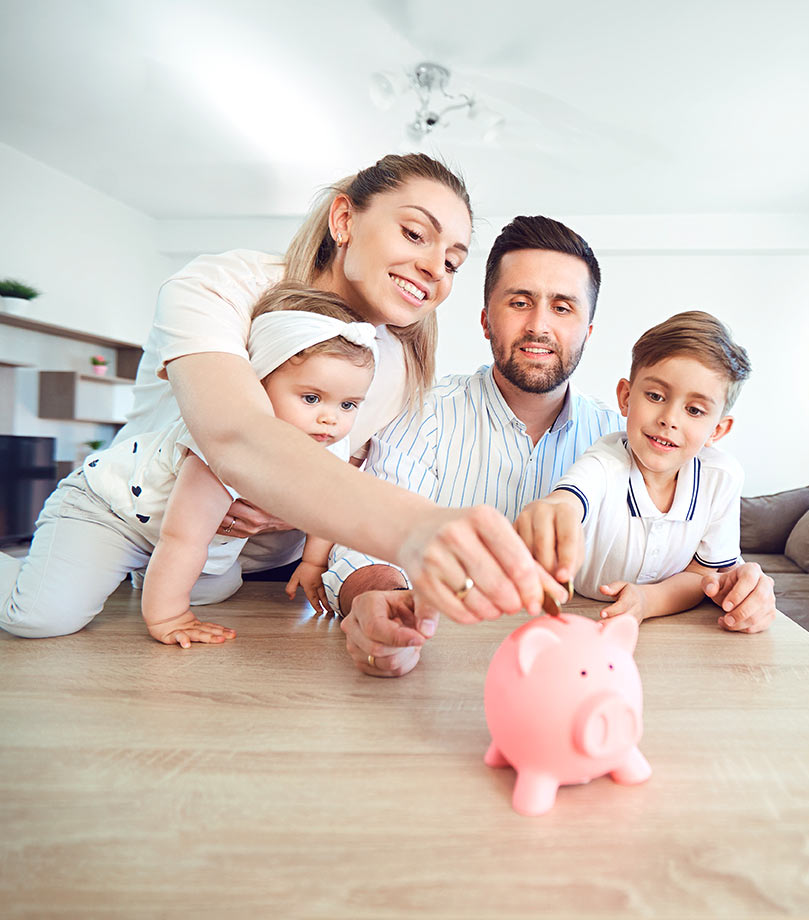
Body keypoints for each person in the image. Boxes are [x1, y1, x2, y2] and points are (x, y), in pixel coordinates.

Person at [109, 154, 563, 650]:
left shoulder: (400, 362)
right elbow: (236, 435)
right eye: (414, 233)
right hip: (140, 545)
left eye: (452, 262)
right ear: (344, 220)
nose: (435, 267)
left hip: (265, 582)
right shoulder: (218, 287)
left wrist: (307, 529)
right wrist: (415, 527)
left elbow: (343, 474)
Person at [324, 216, 623, 675]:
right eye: (520, 302)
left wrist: (736, 582)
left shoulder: (620, 438)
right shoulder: (423, 413)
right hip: (442, 671)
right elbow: (363, 543)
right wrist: (379, 597)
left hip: (579, 673)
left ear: (588, 331)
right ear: (486, 320)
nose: (539, 325)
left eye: (563, 308)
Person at [0, 284, 376, 643]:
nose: (332, 419)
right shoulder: (224, 439)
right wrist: (168, 617)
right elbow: (183, 537)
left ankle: (147, 573)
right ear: (258, 384)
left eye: (348, 405)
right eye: (311, 398)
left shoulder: (328, 443)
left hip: (174, 532)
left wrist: (312, 562)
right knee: (40, 617)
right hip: (111, 512)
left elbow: (328, 506)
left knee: (215, 588)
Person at [515, 311, 777, 633]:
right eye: (655, 396)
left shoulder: (720, 477)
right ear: (626, 398)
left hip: (665, 630)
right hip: (580, 621)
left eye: (694, 410)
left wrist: (646, 600)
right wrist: (550, 509)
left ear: (718, 430)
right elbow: (568, 500)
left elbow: (702, 575)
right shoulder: (605, 463)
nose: (669, 419)